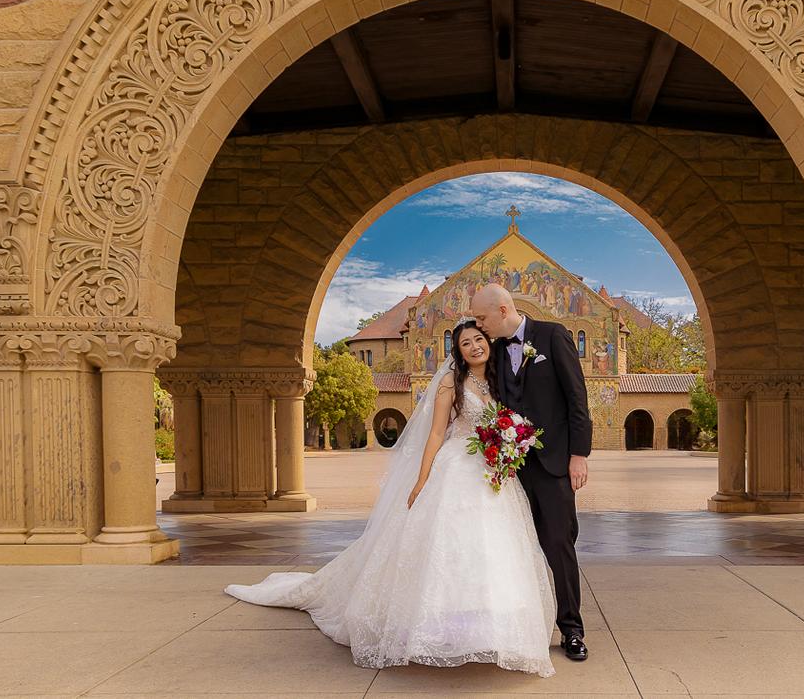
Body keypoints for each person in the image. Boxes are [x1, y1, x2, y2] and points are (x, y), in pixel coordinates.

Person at [225, 320, 555, 677]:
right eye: (465, 344)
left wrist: (510, 443)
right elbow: (434, 435)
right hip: (456, 466)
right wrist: (421, 480)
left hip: (492, 473)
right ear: (457, 352)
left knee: (492, 548)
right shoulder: (450, 383)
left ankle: (488, 627)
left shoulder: (501, 380)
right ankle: (433, 626)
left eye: (479, 340)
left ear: (488, 343)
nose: (474, 347)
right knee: (448, 544)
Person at [471, 283, 592, 662]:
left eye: (481, 317)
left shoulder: (554, 337)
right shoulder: (491, 352)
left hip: (554, 463)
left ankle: (571, 630)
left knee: (559, 544)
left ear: (503, 310)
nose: (478, 325)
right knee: (513, 548)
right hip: (510, 469)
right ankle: (520, 628)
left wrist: (579, 455)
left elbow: (577, 398)